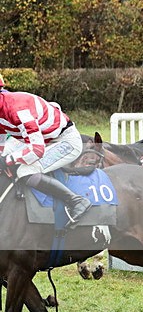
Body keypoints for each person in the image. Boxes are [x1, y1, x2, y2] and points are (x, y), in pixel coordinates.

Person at [0, 89, 91, 227]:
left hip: (65, 141)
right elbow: (1, 142)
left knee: (24, 171)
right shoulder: (3, 105)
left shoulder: (18, 110)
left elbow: (37, 150)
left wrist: (9, 160)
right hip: (38, 138)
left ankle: (76, 201)